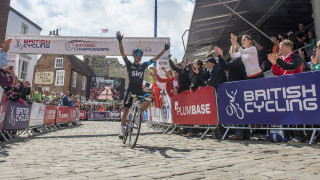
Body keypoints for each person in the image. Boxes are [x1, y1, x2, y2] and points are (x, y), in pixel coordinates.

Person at [116, 31, 170, 139]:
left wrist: (164, 50)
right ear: (134, 56)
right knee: (126, 111)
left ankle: (138, 113)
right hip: (130, 90)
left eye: (141, 55)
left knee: (150, 99)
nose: (140, 57)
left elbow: (155, 58)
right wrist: (120, 41)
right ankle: (122, 131)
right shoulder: (129, 64)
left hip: (139, 90)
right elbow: (122, 53)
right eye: (138, 55)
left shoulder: (143, 65)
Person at [268, 39, 305, 143]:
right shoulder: (282, 59)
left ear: (288, 48)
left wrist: (278, 61)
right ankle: (289, 135)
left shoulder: (295, 57)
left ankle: (299, 136)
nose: (280, 49)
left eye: (282, 47)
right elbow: (279, 74)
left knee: (296, 113)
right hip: (285, 89)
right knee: (289, 113)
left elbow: (290, 67)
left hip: (296, 89)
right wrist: (274, 64)